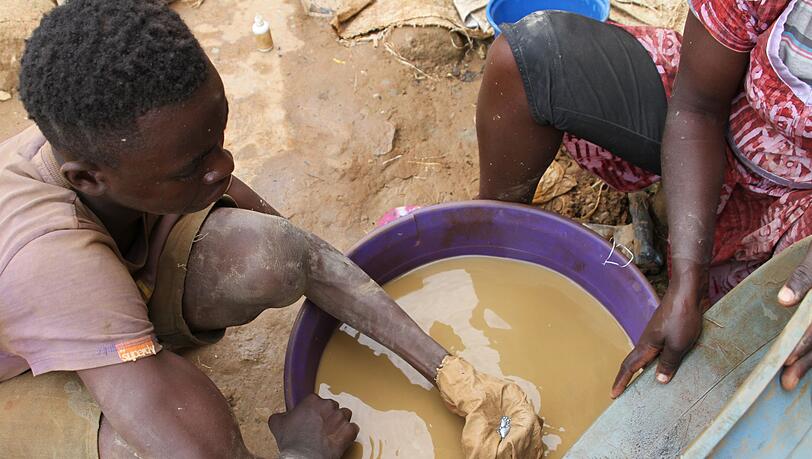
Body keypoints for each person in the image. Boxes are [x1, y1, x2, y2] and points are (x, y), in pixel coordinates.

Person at [0, 1, 541, 457]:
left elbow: (298, 253)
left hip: (97, 289)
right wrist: (301, 452)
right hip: (20, 375)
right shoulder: (51, 260)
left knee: (270, 254)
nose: (225, 166)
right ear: (86, 180)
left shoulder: (121, 151)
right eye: (192, 167)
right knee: (134, 444)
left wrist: (455, 376)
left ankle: (130, 337)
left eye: (217, 140)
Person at [476, 1, 812, 397]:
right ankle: (486, 247)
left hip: (801, 200)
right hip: (721, 118)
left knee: (777, 362)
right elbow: (698, 107)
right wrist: (690, 277)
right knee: (528, 59)